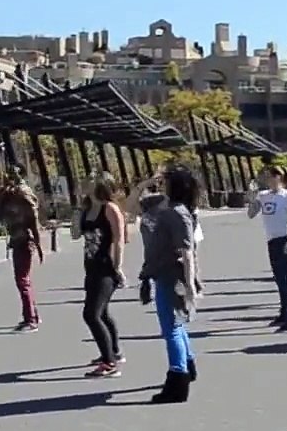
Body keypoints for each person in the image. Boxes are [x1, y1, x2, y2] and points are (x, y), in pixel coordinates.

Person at [137, 168, 200, 403]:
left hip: (171, 276)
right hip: (162, 273)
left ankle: (178, 376)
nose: (162, 185)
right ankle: (187, 363)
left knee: (171, 328)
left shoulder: (177, 213)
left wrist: (191, 284)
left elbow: (187, 251)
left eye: (167, 182)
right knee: (176, 325)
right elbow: (133, 203)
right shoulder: (167, 208)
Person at [74, 174, 126, 378]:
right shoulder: (87, 209)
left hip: (106, 267)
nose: (85, 183)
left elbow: (119, 239)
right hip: (91, 266)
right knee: (102, 312)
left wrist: (118, 266)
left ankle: (109, 363)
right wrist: (78, 210)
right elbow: (75, 235)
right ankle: (114, 352)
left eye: (90, 181)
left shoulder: (110, 209)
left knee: (91, 314)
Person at [247, 165, 287, 332]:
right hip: (272, 240)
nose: (270, 179)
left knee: (285, 279)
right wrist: (252, 198)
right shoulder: (263, 196)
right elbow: (251, 213)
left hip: (285, 239)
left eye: (273, 176)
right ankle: (284, 312)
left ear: (281, 178)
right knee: (279, 279)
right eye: (268, 177)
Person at [0, 167, 44, 332]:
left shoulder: (23, 192)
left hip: (24, 238)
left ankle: (31, 319)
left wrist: (38, 242)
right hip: (17, 237)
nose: (9, 177)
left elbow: (33, 215)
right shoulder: (9, 193)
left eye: (13, 174)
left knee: (22, 280)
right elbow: (0, 211)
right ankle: (32, 315)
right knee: (23, 279)